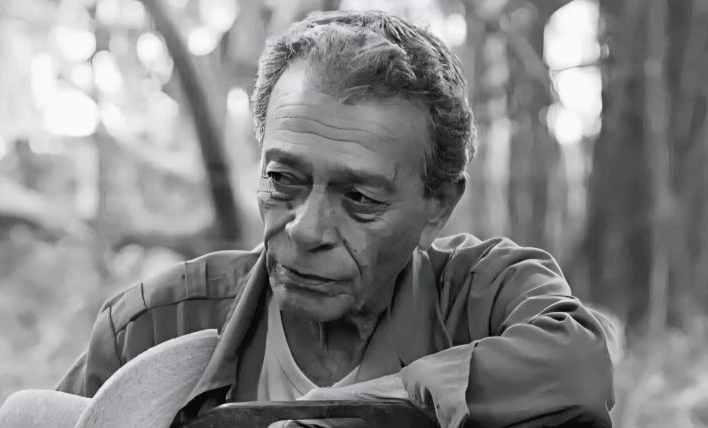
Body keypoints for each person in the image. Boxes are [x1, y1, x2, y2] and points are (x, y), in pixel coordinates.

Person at [56, 10, 615, 428]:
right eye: (283, 179)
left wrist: (379, 403)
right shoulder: (152, 329)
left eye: (360, 198)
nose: (306, 229)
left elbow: (579, 369)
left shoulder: (484, 298)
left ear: (439, 206)